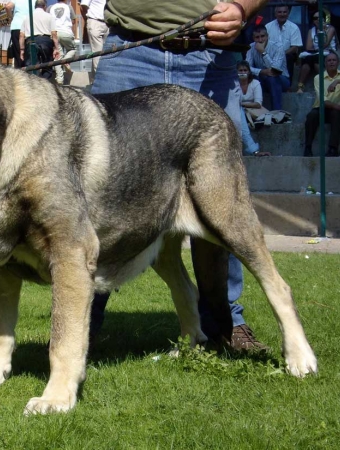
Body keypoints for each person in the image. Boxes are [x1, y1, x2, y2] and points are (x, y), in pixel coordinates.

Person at [89, 0, 271, 352]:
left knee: (222, 200)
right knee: (98, 196)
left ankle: (225, 322)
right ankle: (79, 326)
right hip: (130, 50)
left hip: (210, 56)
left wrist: (240, 8)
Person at [303, 50, 340, 157]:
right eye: (329, 60)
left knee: (336, 114)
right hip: (322, 108)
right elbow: (322, 100)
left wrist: (337, 81)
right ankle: (308, 147)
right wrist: (338, 106)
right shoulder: (318, 78)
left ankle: (333, 149)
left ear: (338, 63)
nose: (331, 62)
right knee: (311, 116)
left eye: (334, 60)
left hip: (337, 111)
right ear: (325, 63)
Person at [246, 24, 290, 111]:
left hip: (282, 80)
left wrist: (263, 52)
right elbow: (247, 68)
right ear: (253, 38)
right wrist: (262, 71)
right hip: (262, 78)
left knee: (272, 78)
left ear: (267, 36)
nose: (260, 40)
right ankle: (257, 113)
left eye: (263, 36)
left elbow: (274, 70)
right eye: (257, 37)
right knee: (252, 79)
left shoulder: (278, 47)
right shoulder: (251, 47)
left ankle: (277, 111)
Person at [297, 11, 337, 93]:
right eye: (315, 18)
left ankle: (326, 83)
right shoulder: (311, 31)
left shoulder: (331, 29)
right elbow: (308, 47)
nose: (318, 20)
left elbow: (325, 44)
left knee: (316, 60)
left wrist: (321, 33)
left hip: (328, 52)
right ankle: (300, 87)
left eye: (320, 18)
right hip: (315, 53)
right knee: (306, 62)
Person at [19, 0, 60, 80]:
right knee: (47, 66)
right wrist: (56, 48)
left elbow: (21, 35)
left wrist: (22, 50)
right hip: (46, 41)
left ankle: (34, 86)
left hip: (30, 41)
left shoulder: (27, 17)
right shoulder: (49, 16)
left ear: (35, 6)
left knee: (31, 68)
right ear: (45, 6)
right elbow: (54, 33)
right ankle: (45, 84)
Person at [237, 60, 270, 157]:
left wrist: (241, 104)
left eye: (245, 70)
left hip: (252, 112)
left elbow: (258, 103)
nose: (243, 73)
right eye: (240, 70)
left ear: (249, 72)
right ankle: (252, 149)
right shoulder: (234, 84)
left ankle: (252, 149)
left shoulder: (255, 83)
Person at [265, 5, 302, 83]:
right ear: (275, 14)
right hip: (271, 54)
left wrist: (280, 54)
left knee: (289, 57)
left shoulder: (294, 27)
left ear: (288, 13)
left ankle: (288, 84)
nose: (282, 14)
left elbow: (295, 47)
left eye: (284, 12)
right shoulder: (268, 27)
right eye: (279, 12)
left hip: (287, 54)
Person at [48, 0, 77, 85]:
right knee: (73, 49)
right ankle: (65, 60)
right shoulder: (69, 7)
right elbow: (74, 20)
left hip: (54, 33)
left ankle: (59, 79)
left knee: (57, 56)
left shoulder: (50, 7)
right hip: (66, 32)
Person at [79, 0, 108, 79]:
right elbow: (83, 6)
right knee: (97, 55)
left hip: (108, 23)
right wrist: (88, 20)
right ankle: (101, 81)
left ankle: (94, 82)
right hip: (95, 21)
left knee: (105, 55)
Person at [6, 0, 34, 68]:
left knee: (18, 52)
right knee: (29, 51)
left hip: (17, 26)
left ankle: (20, 71)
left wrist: (11, 17)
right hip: (29, 27)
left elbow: (8, 7)